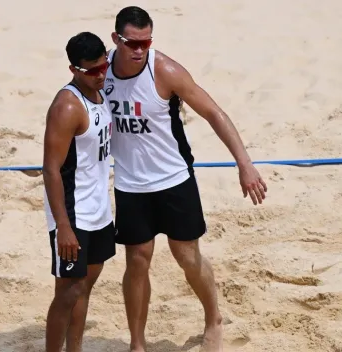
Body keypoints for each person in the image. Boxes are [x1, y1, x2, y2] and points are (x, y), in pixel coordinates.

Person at [104, 6, 268, 352]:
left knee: (187, 256)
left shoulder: (164, 70)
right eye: (132, 43)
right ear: (116, 38)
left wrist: (244, 164)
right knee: (136, 261)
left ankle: (213, 318)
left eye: (145, 42)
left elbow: (213, 112)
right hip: (130, 183)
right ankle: (136, 343)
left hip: (173, 178)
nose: (139, 50)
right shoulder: (101, 70)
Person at [34, 31, 115, 352]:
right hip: (72, 213)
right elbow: (50, 169)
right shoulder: (67, 107)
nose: (100, 75)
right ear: (74, 70)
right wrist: (63, 227)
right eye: (92, 71)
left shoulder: (100, 91)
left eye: (103, 67)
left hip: (98, 208)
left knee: (84, 288)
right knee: (69, 291)